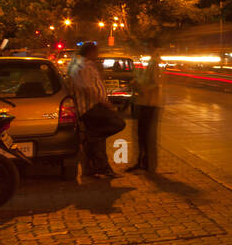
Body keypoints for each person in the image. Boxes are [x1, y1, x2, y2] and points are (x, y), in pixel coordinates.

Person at [65, 41, 120, 178]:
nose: (97, 54)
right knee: (117, 124)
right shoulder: (84, 66)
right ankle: (93, 144)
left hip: (88, 106)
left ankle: (100, 168)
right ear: (90, 52)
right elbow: (89, 89)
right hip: (90, 107)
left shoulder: (79, 64)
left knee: (100, 138)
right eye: (96, 51)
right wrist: (106, 104)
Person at [130, 52, 164, 172]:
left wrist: (140, 87)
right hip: (145, 103)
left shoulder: (154, 63)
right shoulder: (150, 62)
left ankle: (148, 165)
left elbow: (155, 84)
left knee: (146, 136)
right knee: (142, 135)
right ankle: (142, 162)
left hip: (149, 104)